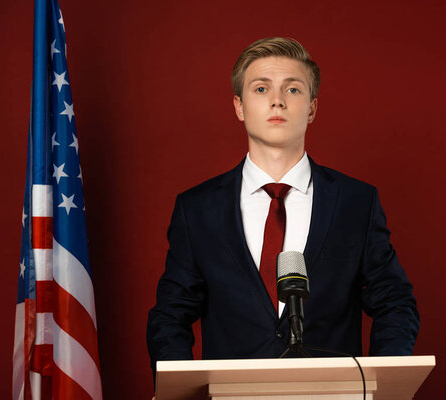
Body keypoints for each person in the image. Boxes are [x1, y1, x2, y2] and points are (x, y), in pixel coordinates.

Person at [146, 37, 419, 381]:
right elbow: (170, 316)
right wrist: (184, 390)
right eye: (261, 89)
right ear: (239, 106)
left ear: (312, 108)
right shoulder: (198, 209)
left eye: (292, 90)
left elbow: (395, 303)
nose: (277, 101)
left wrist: (381, 386)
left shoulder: (356, 202)